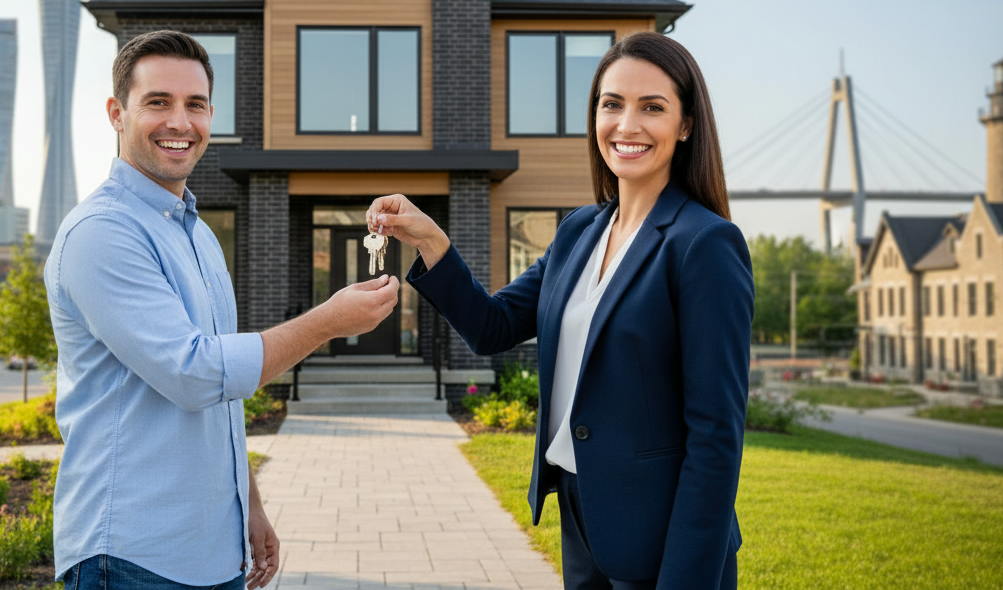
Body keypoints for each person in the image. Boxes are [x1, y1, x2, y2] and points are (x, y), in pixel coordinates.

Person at [368, 31, 752, 590]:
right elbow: (492, 326)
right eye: (611, 104)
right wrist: (429, 238)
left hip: (665, 539)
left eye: (653, 107)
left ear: (686, 124)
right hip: (581, 516)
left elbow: (716, 437)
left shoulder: (704, 244)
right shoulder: (578, 232)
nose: (627, 125)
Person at [47, 30, 399, 589]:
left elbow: (221, 396)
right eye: (157, 102)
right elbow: (196, 373)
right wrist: (329, 322)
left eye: (196, 105)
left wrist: (248, 504)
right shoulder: (101, 233)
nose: (180, 123)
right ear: (117, 113)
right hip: (133, 555)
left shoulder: (199, 236)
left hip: (213, 547)